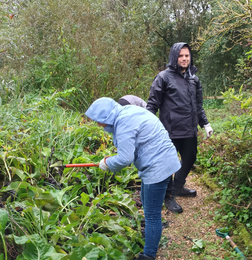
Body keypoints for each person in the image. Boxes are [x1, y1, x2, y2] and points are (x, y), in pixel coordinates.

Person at [85, 97, 181, 260]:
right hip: (161, 160)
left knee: (152, 215)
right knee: (146, 202)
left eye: (99, 121)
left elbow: (124, 158)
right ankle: (151, 233)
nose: (99, 125)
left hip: (157, 166)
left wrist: (107, 163)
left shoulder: (123, 122)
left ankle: (149, 255)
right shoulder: (128, 112)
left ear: (106, 116)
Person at [146, 42, 213, 214]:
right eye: (181, 56)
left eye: (187, 56)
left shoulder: (194, 79)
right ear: (174, 57)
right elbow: (152, 104)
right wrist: (145, 125)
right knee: (169, 163)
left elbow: (198, 106)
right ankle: (168, 196)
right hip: (170, 130)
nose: (184, 59)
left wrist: (205, 123)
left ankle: (178, 187)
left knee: (190, 158)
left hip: (189, 129)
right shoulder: (163, 77)